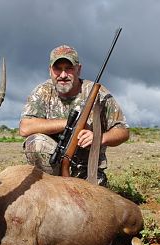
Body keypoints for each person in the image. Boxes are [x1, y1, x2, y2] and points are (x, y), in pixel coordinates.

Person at [19, 45, 129, 186]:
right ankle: (49, 187)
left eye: (69, 68)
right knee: (36, 142)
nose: (63, 75)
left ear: (79, 69)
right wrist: (69, 124)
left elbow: (123, 131)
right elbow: (25, 128)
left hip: (87, 171)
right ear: (50, 71)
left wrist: (99, 138)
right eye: (58, 69)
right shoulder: (42, 91)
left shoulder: (98, 94)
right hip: (52, 171)